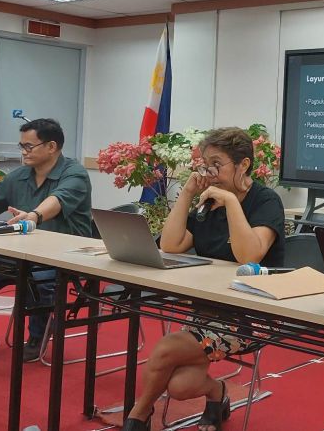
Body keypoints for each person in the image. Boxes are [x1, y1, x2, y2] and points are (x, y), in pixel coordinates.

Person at [122, 127, 286, 431]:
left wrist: (232, 202)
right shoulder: (207, 202)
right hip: (210, 306)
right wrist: (186, 193)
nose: (208, 172)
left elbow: (248, 255)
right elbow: (170, 245)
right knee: (181, 386)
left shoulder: (265, 201)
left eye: (216, 164)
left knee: (165, 350)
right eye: (204, 164)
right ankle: (217, 394)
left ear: (243, 165)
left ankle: (138, 417)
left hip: (253, 313)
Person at [0, 118, 93, 368]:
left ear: (51, 146)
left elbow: (57, 200)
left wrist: (33, 216)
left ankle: (36, 338)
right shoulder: (19, 175)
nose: (23, 152)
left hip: (65, 255)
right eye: (21, 146)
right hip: (23, 250)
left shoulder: (74, 173)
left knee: (40, 279)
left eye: (29, 147)